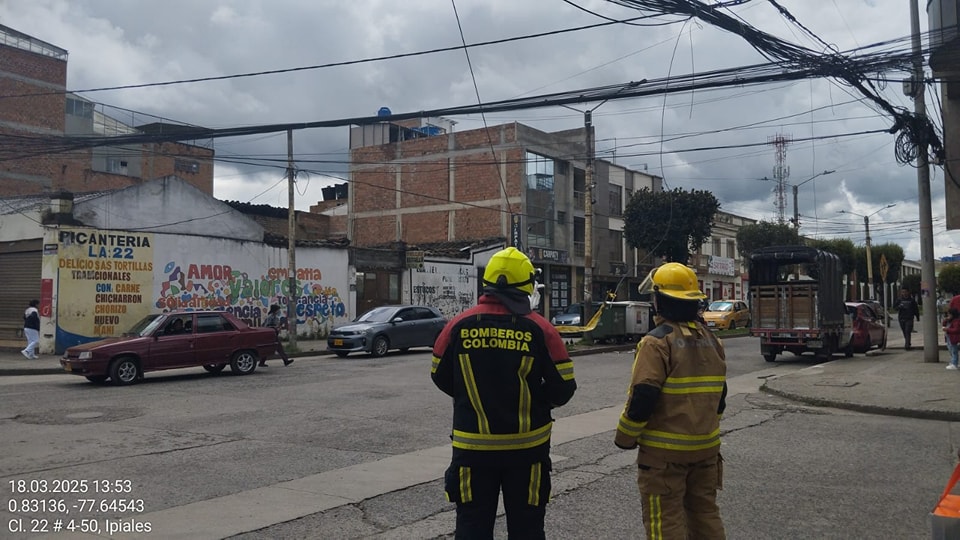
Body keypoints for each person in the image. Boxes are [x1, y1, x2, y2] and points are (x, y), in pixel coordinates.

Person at [431, 247, 576, 539]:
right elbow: (564, 389)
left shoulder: (458, 326)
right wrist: (536, 400)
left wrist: (473, 397)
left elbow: (440, 375)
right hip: (527, 452)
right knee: (527, 530)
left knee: (472, 528)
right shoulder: (541, 330)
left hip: (472, 450)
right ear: (526, 286)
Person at [614, 262, 727, 540]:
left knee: (666, 522)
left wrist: (624, 438)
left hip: (664, 456)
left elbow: (643, 396)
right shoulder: (712, 339)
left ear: (661, 300)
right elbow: (720, 397)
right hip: (706, 451)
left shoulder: (656, 342)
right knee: (705, 515)